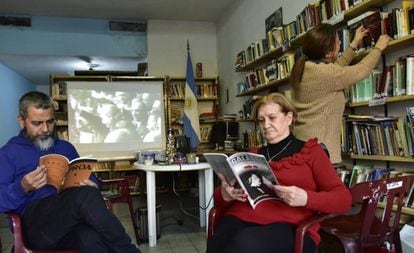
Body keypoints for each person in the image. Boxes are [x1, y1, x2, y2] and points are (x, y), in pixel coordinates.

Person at [206, 93, 352, 253]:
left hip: (289, 224)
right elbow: (221, 197)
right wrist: (226, 194)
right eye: (261, 120)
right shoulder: (252, 155)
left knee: (244, 244)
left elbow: (344, 199)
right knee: (218, 242)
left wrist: (306, 198)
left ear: (289, 118)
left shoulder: (311, 152)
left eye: (272, 118)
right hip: (241, 216)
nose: (266, 125)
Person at [0, 91, 140, 253]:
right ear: (22, 121)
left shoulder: (65, 147)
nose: (45, 129)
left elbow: (90, 178)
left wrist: (93, 184)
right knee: (84, 195)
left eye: (50, 121)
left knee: (91, 239)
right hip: (36, 227)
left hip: (69, 222)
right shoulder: (8, 153)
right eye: (37, 123)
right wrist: (22, 187)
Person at [289, 24, 390, 164]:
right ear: (328, 53)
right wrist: (378, 48)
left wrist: (354, 44)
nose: (340, 43)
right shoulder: (324, 73)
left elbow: (336, 68)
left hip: (303, 145)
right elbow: (360, 71)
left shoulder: (305, 68)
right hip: (319, 151)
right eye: (338, 42)